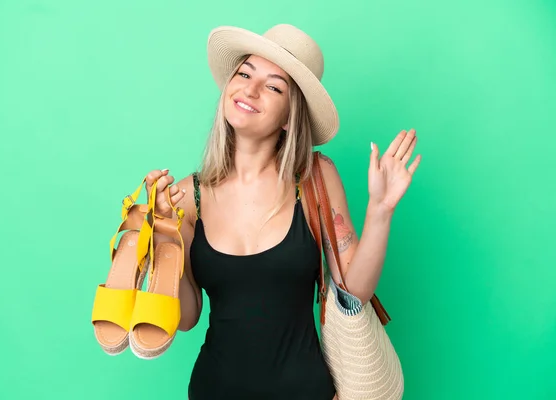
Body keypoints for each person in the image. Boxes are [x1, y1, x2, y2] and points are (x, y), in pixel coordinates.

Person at [144, 24, 421, 400]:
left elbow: (353, 290)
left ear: (290, 117)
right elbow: (188, 317)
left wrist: (381, 210)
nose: (250, 90)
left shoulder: (313, 180)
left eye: (274, 86)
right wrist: (163, 234)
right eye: (244, 74)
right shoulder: (187, 196)